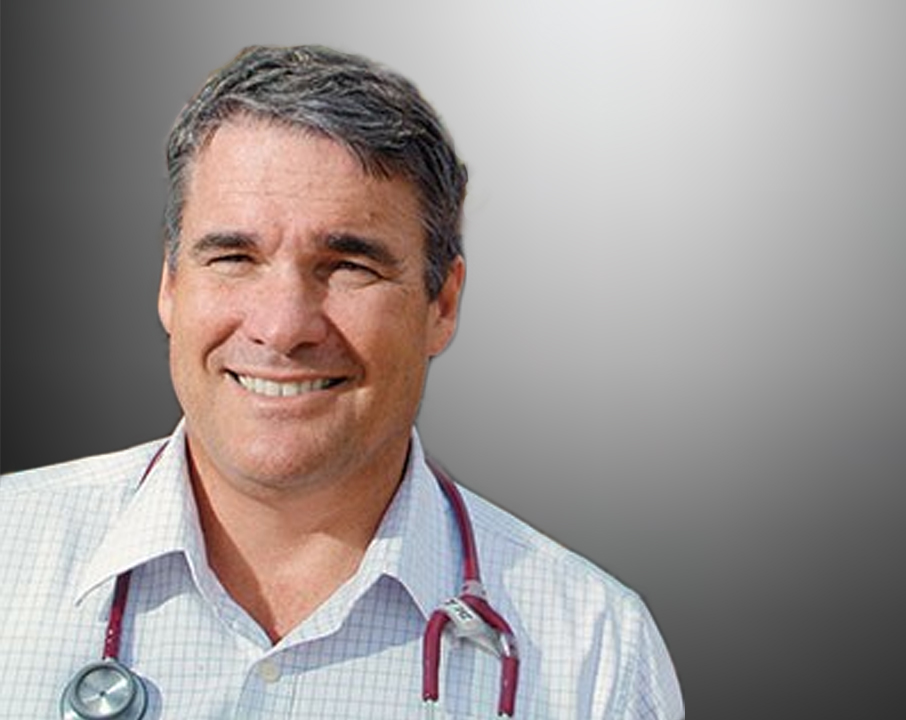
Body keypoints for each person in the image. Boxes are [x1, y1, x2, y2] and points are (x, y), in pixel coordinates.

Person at [0, 45, 684, 719]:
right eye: (234, 257)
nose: (282, 327)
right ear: (171, 286)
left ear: (442, 304)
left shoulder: (593, 653)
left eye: (349, 266)